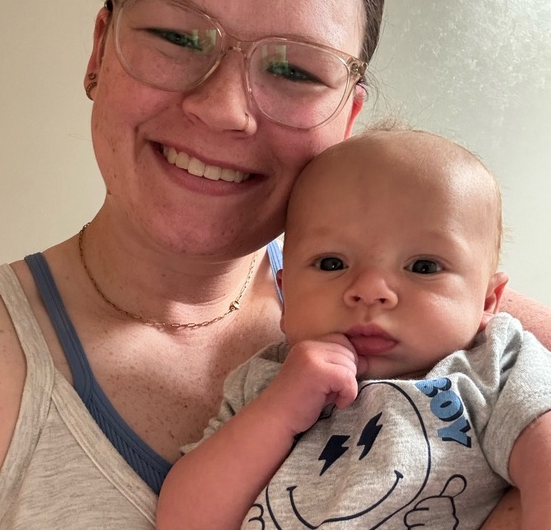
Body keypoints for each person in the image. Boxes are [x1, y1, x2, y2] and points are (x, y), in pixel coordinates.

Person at [0, 0, 548, 528]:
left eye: (296, 71)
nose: (223, 109)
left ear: (347, 118)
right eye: (175, 36)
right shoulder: (269, 381)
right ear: (100, 50)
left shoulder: (482, 339)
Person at [157, 129, 551, 529]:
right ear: (286, 293)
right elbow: (184, 521)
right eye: (332, 263)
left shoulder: (497, 366)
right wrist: (278, 413)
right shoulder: (266, 383)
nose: (369, 290)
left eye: (424, 267)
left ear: (487, 302)